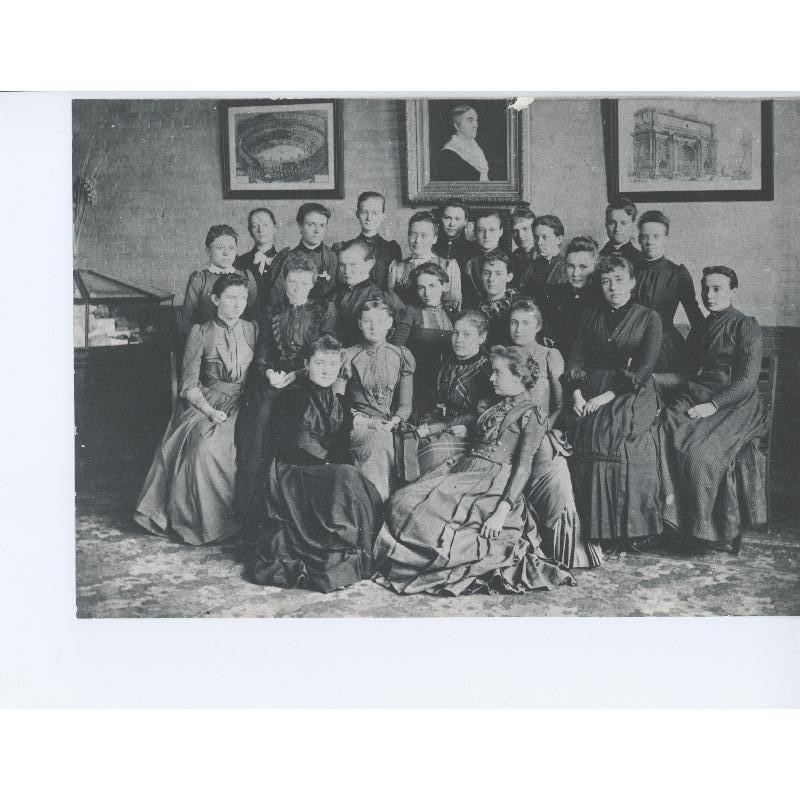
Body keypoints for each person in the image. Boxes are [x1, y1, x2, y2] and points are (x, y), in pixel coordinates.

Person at [373, 346, 577, 596]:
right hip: (466, 469)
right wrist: (425, 430)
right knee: (401, 501)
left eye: (497, 373)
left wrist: (501, 512)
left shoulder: (530, 414)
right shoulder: (494, 404)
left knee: (426, 519)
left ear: (518, 377)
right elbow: (460, 420)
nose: (491, 378)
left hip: (493, 483)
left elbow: (523, 467)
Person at [243, 335, 384, 593]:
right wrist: (332, 468)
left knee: (350, 477)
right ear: (306, 364)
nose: (326, 370)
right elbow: (294, 445)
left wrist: (336, 469)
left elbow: (341, 446)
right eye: (319, 364)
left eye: (332, 365)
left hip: (321, 470)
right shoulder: (293, 396)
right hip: (291, 474)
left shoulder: (339, 400)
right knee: (345, 476)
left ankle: (359, 553)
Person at [134, 273, 257, 545]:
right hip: (205, 403)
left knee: (243, 443)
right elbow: (189, 385)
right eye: (231, 298)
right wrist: (210, 412)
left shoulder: (253, 329)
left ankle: (242, 522)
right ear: (215, 299)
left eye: (243, 298)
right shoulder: (200, 332)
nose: (238, 305)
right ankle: (209, 525)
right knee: (204, 445)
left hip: (244, 402)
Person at [660, 267, 766, 554]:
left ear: (733, 292)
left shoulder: (746, 326)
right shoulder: (701, 327)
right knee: (663, 428)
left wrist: (712, 406)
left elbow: (747, 380)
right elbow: (686, 374)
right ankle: (672, 519)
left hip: (735, 402)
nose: (709, 295)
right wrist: (653, 379)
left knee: (700, 454)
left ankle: (707, 530)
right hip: (698, 394)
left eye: (718, 288)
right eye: (706, 288)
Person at [566, 254, 664, 551]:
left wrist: (606, 397)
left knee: (617, 436)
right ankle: (596, 529)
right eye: (607, 282)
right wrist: (577, 394)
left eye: (620, 280)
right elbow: (577, 357)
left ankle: (632, 529)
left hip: (631, 390)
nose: (613, 287)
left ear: (632, 282)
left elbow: (644, 366)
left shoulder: (649, 318)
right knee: (584, 431)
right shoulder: (590, 314)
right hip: (591, 386)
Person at [234, 255, 337, 522]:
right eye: (292, 281)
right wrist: (268, 372)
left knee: (295, 427)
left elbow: (326, 354)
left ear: (313, 283)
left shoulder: (324, 310)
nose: (297, 287)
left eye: (304, 282)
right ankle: (252, 512)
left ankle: (292, 512)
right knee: (257, 426)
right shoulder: (271, 311)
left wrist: (297, 374)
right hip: (273, 380)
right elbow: (263, 354)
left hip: (308, 380)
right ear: (284, 281)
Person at [508, 299, 603, 569]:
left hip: (545, 429)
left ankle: (565, 551)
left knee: (552, 472)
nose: (519, 328)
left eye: (526, 323)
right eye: (514, 322)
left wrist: (540, 430)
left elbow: (560, 406)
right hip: (510, 432)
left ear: (538, 326)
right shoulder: (503, 354)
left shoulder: (551, 355)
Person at [343, 300, 416, 501]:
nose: (374, 327)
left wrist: (393, 422)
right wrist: (367, 422)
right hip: (358, 424)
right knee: (378, 440)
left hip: (389, 424)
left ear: (390, 322)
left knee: (393, 441)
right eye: (367, 321)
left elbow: (405, 406)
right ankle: (373, 504)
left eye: (380, 321)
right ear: (359, 323)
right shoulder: (347, 355)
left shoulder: (401, 355)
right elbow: (337, 403)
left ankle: (387, 507)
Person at [414, 310, 494, 475]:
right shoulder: (445, 362)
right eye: (456, 333)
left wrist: (468, 429)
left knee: (431, 451)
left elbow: (485, 413)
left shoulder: (488, 370)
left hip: (467, 433)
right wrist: (427, 422)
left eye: (467, 334)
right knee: (409, 441)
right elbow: (432, 399)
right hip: (437, 423)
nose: (459, 340)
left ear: (482, 337)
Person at [636, 210, 704, 373]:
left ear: (666, 239)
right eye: (645, 236)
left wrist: (693, 355)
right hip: (632, 343)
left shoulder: (677, 273)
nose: (650, 242)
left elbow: (696, 319)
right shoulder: (629, 271)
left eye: (656, 236)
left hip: (665, 347)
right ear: (639, 239)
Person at [393, 262, 459, 420]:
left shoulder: (453, 314)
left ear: (444, 286)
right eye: (421, 287)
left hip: (446, 383)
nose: (426, 293)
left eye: (432, 286)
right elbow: (396, 350)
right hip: (416, 384)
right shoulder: (411, 312)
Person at [179, 224, 257, 337]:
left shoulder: (246, 277)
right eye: (220, 248)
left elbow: (255, 316)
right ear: (208, 251)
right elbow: (187, 320)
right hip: (207, 344)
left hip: (241, 344)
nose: (226, 253)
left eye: (231, 248)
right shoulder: (200, 279)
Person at [334, 238, 405, 347]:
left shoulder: (379, 296)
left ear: (370, 264)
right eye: (342, 265)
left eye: (353, 264)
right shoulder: (335, 293)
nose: (346, 271)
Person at [541, 235, 600, 359]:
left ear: (595, 266)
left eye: (583, 267)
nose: (575, 274)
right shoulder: (554, 294)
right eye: (570, 266)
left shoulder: (600, 300)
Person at [388, 211, 461, 308]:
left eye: (423, 235)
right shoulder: (398, 268)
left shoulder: (448, 266)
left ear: (435, 238)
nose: (417, 240)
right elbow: (392, 303)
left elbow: (452, 305)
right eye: (414, 234)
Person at [271, 203, 341, 302]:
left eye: (322, 225)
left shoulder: (334, 256)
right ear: (300, 225)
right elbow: (277, 297)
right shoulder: (287, 259)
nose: (317, 231)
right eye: (311, 224)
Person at [334, 191, 402, 289]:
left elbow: (394, 284)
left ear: (383, 215)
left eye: (375, 213)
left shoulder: (391, 248)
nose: (369, 218)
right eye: (364, 212)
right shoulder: (346, 248)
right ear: (357, 214)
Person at [234, 208, 280, 313]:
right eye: (255, 226)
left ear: (275, 228)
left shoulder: (285, 260)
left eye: (265, 225)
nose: (260, 230)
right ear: (250, 231)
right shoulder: (239, 262)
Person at [515, 214, 569, 303]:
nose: (539, 242)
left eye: (545, 237)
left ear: (559, 239)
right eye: (536, 237)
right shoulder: (532, 266)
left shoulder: (566, 268)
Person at [462, 210, 508, 307]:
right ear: (475, 233)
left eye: (492, 230)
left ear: (501, 232)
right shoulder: (469, 263)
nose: (486, 235)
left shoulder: (510, 261)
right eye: (481, 230)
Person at [436, 105, 490, 181]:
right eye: (470, 120)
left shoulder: (476, 148)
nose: (476, 125)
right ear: (457, 126)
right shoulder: (448, 154)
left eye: (476, 120)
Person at [476, 251, 518, 347]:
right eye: (487, 273)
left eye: (498, 274)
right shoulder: (475, 306)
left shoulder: (518, 305)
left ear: (509, 277)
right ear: (481, 276)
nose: (491, 279)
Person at [432, 197, 479, 270]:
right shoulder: (432, 247)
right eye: (447, 218)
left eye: (457, 219)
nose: (452, 224)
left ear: (465, 221)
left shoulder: (473, 250)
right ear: (440, 219)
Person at [599, 198, 644, 270]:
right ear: (606, 224)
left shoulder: (640, 259)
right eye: (612, 223)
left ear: (632, 225)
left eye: (623, 223)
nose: (617, 229)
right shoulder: (598, 257)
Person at [509, 202, 537, 288]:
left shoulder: (544, 255)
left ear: (535, 230)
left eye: (525, 229)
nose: (520, 235)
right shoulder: (513, 257)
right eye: (515, 231)